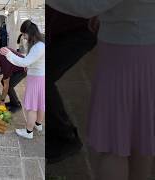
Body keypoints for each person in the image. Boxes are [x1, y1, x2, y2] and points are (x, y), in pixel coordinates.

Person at [48, 0, 155, 179]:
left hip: (124, 54)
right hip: (145, 46)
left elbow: (88, 4)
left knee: (113, 144)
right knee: (140, 139)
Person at [47, 5, 97, 164]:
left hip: (80, 29)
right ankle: (56, 130)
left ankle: (66, 138)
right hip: (62, 27)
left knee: (43, 78)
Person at [0, 20, 45, 139]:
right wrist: (27, 62)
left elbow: (25, 61)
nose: (24, 37)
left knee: (31, 107)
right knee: (40, 104)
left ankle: (28, 132)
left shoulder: (37, 46)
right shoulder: (40, 44)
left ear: (30, 33)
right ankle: (38, 125)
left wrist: (8, 54)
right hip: (40, 77)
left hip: (35, 79)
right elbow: (30, 60)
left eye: (24, 34)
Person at [0, 48, 27, 112]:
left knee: (9, 85)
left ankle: (17, 105)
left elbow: (6, 86)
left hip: (23, 69)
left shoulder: (5, 64)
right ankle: (13, 102)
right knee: (3, 81)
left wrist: (2, 100)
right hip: (18, 65)